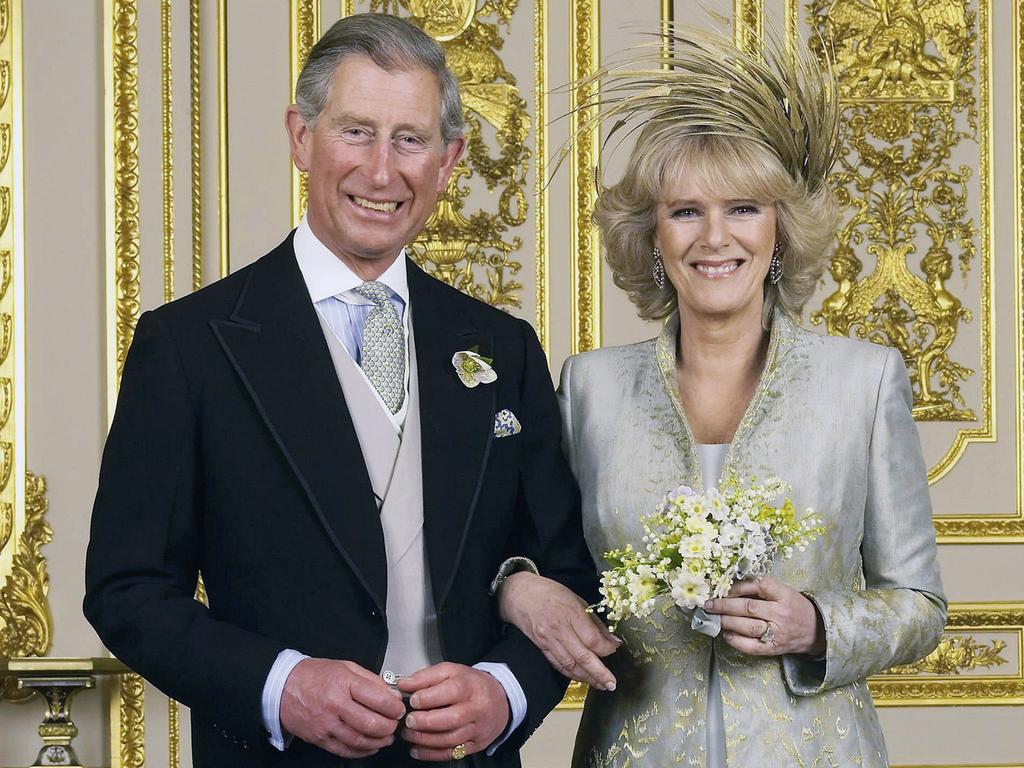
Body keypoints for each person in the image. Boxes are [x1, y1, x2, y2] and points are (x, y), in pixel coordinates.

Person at [83, 14, 611, 767]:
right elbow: (126, 590)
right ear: (302, 137)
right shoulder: (189, 346)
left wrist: (503, 692)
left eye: (410, 139)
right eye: (357, 131)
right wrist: (281, 685)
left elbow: (566, 572)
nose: (382, 170)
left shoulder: (503, 349)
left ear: (449, 159)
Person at [497, 27, 947, 767]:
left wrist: (816, 624)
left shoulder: (861, 381)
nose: (715, 237)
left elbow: (920, 606)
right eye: (684, 211)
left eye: (743, 208)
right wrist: (518, 588)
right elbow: (528, 559)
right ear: (651, 236)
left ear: (781, 230)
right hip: (632, 749)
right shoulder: (591, 388)